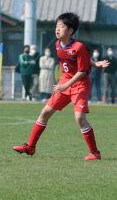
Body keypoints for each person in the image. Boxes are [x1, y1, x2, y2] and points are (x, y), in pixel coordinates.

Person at [13, 12, 101, 161]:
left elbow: (82, 70)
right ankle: (30, 146)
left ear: (71, 31)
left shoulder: (79, 47)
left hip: (79, 84)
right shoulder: (57, 44)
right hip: (64, 82)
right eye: (56, 26)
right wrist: (93, 63)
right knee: (45, 112)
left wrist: (66, 84)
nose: (57, 29)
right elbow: (77, 59)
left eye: (61, 26)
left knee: (80, 118)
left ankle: (95, 152)